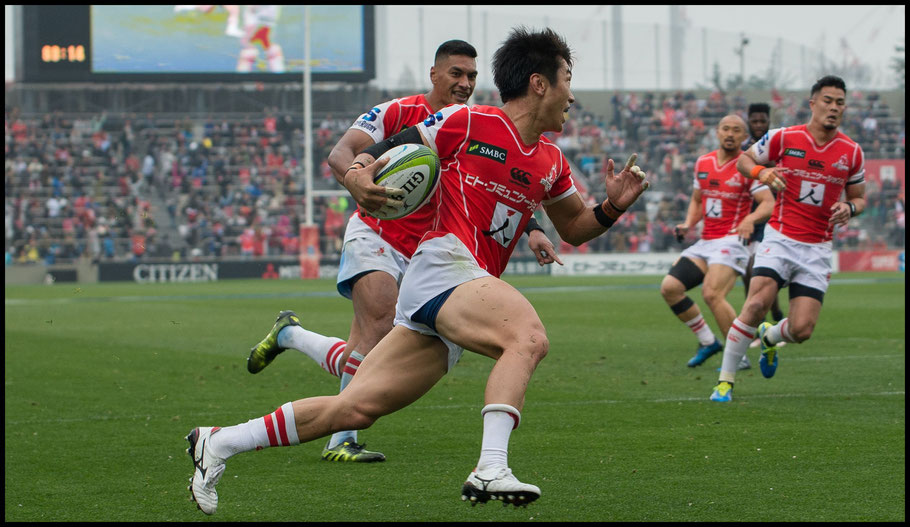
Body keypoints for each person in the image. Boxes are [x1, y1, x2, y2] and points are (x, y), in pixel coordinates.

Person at [185, 27, 650, 515]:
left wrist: (612, 207)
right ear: (539, 83)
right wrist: (360, 172)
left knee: (354, 409)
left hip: (456, 291)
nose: (572, 96)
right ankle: (490, 467)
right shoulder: (468, 122)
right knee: (527, 338)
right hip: (444, 265)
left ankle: (218, 442)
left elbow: (574, 227)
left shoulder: (552, 161)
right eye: (567, 80)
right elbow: (396, 143)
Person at [245, 40, 561, 463]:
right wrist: (356, 181)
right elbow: (342, 153)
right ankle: (343, 441)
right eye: (456, 74)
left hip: (426, 251)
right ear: (434, 75)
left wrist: (534, 228)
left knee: (369, 356)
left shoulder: (471, 122)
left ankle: (291, 335)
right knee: (377, 327)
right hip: (376, 234)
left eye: (471, 76)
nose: (465, 83)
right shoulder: (397, 112)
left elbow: (500, 182)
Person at [710, 75, 866, 402]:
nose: (834, 107)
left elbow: (860, 197)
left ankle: (769, 338)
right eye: (828, 100)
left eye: (839, 102)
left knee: (801, 330)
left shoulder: (851, 152)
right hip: (779, 239)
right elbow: (744, 160)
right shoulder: (784, 138)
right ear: (813, 103)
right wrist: (763, 173)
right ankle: (725, 381)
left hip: (817, 249)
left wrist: (850, 207)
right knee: (755, 304)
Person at [660, 115, 773, 369]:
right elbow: (698, 200)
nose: (730, 134)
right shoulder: (704, 162)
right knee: (670, 287)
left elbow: (768, 203)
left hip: (733, 240)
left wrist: (751, 220)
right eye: (725, 129)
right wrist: (688, 223)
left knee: (712, 293)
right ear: (717, 132)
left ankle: (739, 355)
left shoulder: (747, 166)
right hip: (706, 241)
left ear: (744, 137)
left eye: (736, 130)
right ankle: (708, 341)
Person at [742, 103, 786, 338]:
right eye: (755, 121)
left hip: (772, 214)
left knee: (758, 270)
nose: (759, 125)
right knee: (747, 274)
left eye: (763, 121)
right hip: (746, 217)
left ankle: (766, 320)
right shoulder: (744, 150)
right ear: (748, 121)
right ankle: (773, 315)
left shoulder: (776, 146)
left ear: (769, 122)